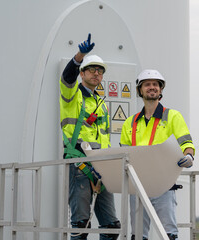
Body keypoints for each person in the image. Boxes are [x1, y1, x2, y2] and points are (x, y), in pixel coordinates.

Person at [120, 69, 195, 240]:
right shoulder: (129, 123)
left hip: (164, 183)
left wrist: (189, 156)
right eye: (147, 84)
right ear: (140, 90)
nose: (152, 87)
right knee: (138, 235)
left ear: (161, 90)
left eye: (156, 84)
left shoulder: (172, 116)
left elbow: (186, 142)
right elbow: (124, 153)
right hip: (137, 184)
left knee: (168, 234)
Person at [60, 33, 120, 240]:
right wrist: (79, 56)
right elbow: (67, 77)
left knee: (112, 226)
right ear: (82, 73)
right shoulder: (72, 95)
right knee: (80, 226)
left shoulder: (101, 104)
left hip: (102, 166)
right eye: (92, 70)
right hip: (80, 164)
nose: (96, 74)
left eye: (100, 71)